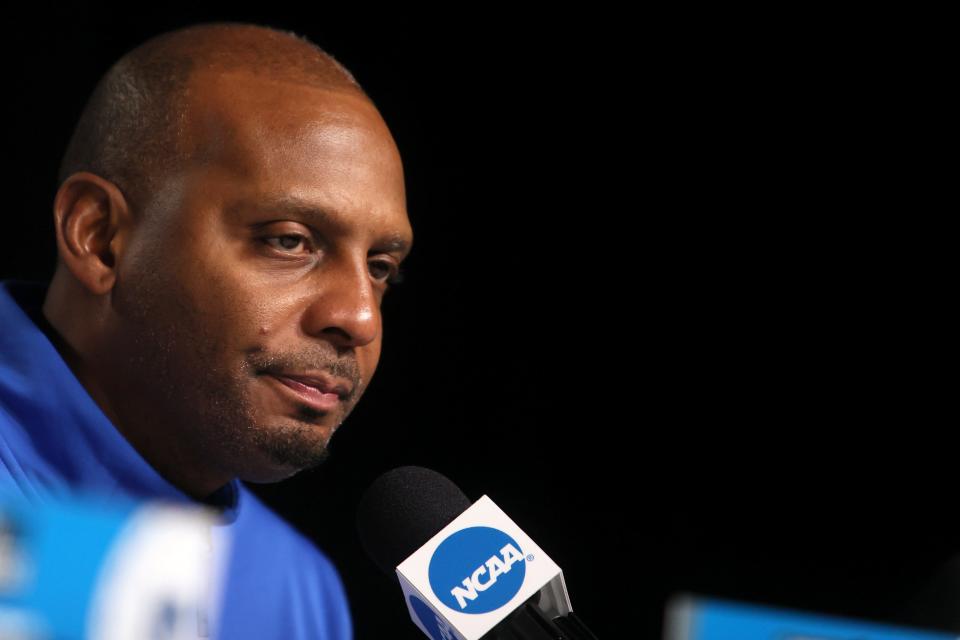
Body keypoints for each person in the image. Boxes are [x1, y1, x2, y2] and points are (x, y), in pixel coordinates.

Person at [0, 20, 413, 639]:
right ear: (101, 239)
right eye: (290, 241)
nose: (359, 316)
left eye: (380, 269)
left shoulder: (295, 589)